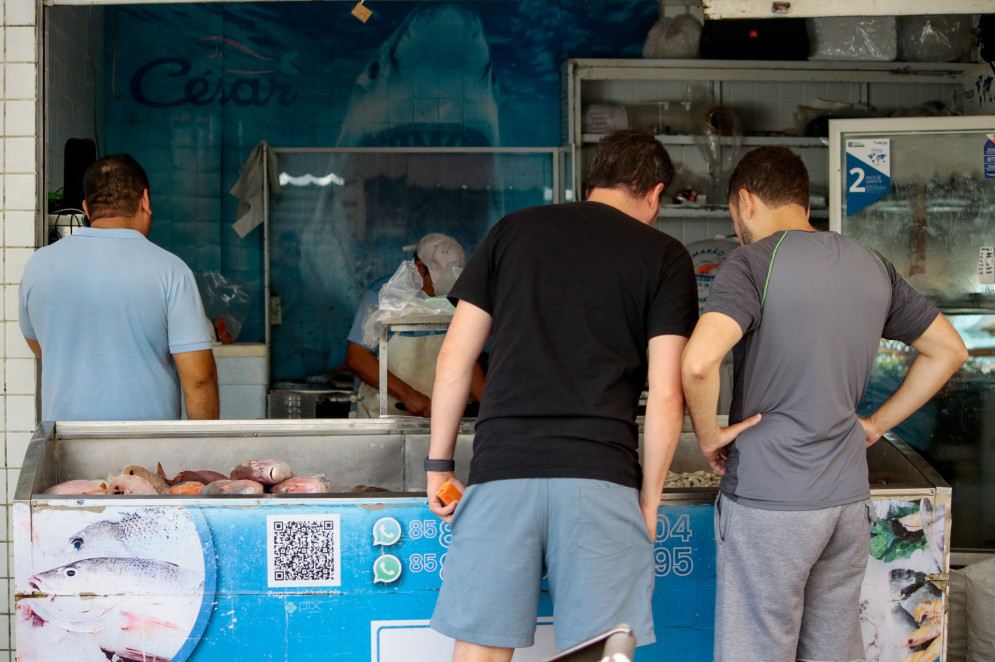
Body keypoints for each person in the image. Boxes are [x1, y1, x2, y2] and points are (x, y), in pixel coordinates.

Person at [680, 146, 968, 662]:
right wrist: (875, 424)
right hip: (845, 503)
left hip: (771, 502)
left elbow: (698, 362)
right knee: (833, 646)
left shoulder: (750, 263)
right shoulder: (871, 263)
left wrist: (708, 435)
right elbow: (949, 350)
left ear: (745, 202)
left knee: (758, 646)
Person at [425, 129, 698, 660]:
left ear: (595, 182)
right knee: (597, 653)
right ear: (654, 193)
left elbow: (453, 359)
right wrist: (649, 498)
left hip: (503, 468)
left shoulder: (512, 231)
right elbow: (667, 394)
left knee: (480, 649)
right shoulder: (664, 255)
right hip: (600, 474)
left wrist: (439, 465)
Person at [19, 153, 219, 421]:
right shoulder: (171, 271)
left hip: (64, 448)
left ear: (86, 209)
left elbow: (40, 346)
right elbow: (199, 381)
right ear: (145, 200)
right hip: (147, 452)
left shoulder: (37, 265)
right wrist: (204, 452)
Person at [345, 233, 484, 418]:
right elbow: (357, 357)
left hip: (436, 417)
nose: (444, 291)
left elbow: (464, 359)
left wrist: (492, 405)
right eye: (439, 283)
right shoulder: (382, 295)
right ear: (419, 268)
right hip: (380, 416)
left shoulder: (454, 300)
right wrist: (408, 395)